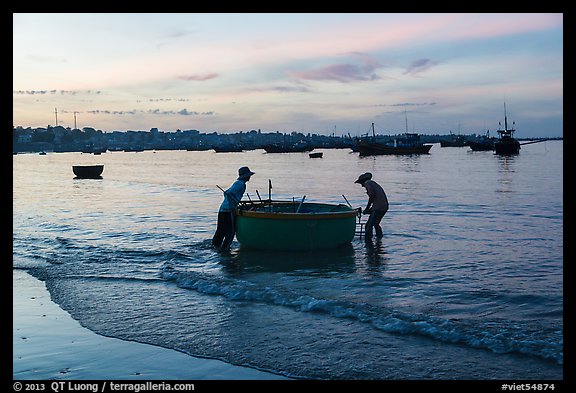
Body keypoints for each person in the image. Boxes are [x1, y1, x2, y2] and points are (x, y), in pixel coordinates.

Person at [212, 166, 255, 250]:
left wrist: (234, 202)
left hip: (223, 209)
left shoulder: (238, 183)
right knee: (230, 232)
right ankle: (225, 249)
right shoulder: (240, 184)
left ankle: (215, 247)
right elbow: (228, 193)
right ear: (245, 176)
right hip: (228, 211)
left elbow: (227, 194)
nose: (249, 177)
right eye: (248, 175)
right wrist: (233, 203)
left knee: (220, 231)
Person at [354, 172, 389, 241]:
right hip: (384, 206)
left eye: (361, 183)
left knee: (368, 226)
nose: (362, 186)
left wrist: (367, 208)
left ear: (362, 181)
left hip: (378, 207)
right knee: (376, 224)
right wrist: (369, 210)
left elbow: (372, 195)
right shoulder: (373, 183)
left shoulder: (368, 183)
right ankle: (379, 240)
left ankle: (368, 241)